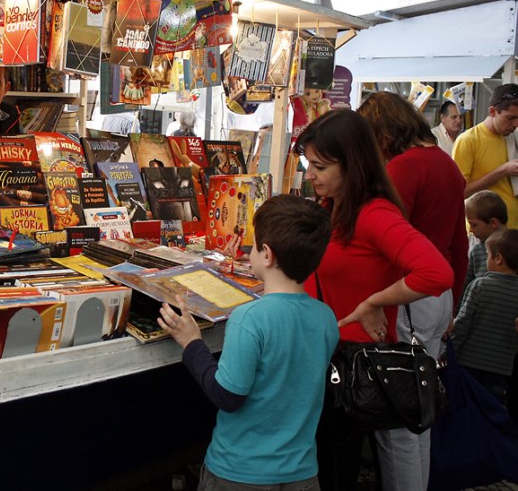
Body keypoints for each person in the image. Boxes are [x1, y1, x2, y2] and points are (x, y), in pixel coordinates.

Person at [295, 109, 453, 491]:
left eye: (319, 165)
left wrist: (374, 301)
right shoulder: (334, 207)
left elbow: (437, 273)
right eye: (308, 164)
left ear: (352, 164)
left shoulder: (374, 213)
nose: (310, 174)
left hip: (350, 367)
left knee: (335, 465)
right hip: (326, 354)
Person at [158, 194, 338, 489]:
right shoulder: (325, 317)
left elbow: (227, 396)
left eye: (252, 246)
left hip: (239, 472)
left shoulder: (249, 318)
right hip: (302, 473)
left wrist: (192, 343)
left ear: (266, 254)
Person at [358, 92, 468, 491]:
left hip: (408, 295)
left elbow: (384, 243)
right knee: (417, 411)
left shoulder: (404, 168)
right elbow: (458, 241)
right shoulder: (445, 163)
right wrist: (452, 298)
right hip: (436, 297)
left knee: (398, 417)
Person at [452, 229, 518, 406]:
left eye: (488, 255)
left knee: (466, 406)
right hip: (502, 368)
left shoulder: (479, 285)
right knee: (492, 409)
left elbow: (462, 323)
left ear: (498, 258)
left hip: (468, 362)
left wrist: (449, 351)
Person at [453, 83, 518, 228]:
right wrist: (503, 170)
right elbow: (459, 192)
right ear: (492, 111)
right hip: (483, 234)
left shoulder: (513, 138)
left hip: (511, 230)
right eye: (510, 118)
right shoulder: (468, 140)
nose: (516, 124)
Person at [463, 190, 508, 303]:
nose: (471, 230)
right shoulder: (476, 251)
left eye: (474, 225)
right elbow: (466, 287)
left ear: (493, 222)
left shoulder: (514, 245)